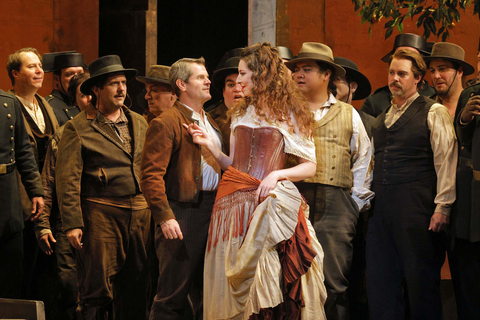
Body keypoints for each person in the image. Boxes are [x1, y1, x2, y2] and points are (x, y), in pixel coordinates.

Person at [185, 42, 327, 320]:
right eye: (237, 75)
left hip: (267, 205)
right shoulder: (239, 113)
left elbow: (310, 166)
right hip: (230, 206)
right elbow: (233, 165)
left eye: (242, 74)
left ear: (261, 74)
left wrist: (277, 174)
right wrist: (211, 148)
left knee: (267, 281)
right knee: (229, 280)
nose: (238, 81)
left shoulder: (291, 114)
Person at [56, 55, 150, 319]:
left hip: (140, 215)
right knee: (97, 289)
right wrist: (73, 223)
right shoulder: (78, 128)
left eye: (123, 83)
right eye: (113, 84)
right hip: (101, 216)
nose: (121, 89)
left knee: (137, 285)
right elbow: (67, 180)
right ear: (96, 89)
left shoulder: (139, 122)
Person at [367, 49, 457, 319]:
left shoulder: (433, 111)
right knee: (381, 284)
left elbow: (446, 160)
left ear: (418, 78)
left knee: (421, 286)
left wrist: (443, 207)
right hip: (382, 210)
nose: (395, 78)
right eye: (392, 73)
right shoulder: (383, 117)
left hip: (416, 209)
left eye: (402, 74)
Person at [286, 42, 373, 320]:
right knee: (289, 279)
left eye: (307, 69)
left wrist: (352, 205)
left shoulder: (348, 114)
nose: (299, 74)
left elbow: (363, 160)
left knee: (332, 281)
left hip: (336, 203)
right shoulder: (285, 112)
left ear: (326, 75)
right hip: (292, 199)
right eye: (297, 69)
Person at [141, 57, 222, 320]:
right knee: (172, 295)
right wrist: (165, 216)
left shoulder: (210, 120)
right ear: (181, 84)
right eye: (200, 77)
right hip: (183, 212)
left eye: (207, 76)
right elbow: (151, 176)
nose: (208, 81)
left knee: (203, 294)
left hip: (213, 209)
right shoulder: (166, 122)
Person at [34, 72, 91, 319]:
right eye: (83, 94)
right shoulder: (65, 132)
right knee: (69, 285)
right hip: (66, 221)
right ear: (75, 99)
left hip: (101, 218)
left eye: (92, 92)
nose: (89, 98)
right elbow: (47, 180)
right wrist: (42, 224)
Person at [7, 47, 59, 299]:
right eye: (31, 66)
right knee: (22, 268)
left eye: (40, 65)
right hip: (21, 199)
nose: (39, 70)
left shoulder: (45, 105)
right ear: (15, 74)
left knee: (46, 272)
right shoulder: (8, 105)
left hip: (48, 195)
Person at [0, 90, 44, 299]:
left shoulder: (8, 102)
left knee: (11, 272)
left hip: (7, 195)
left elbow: (23, 150)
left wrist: (35, 190)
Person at [453, 62, 480, 319]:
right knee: (470, 270)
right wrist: (465, 117)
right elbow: (464, 140)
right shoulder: (472, 93)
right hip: (473, 195)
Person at [361, 33, 435, 117]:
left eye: (410, 56)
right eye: (399, 54)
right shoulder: (375, 101)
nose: (402, 59)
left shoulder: (435, 99)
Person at [209, 56, 243, 153]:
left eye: (241, 84)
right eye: (231, 85)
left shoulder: (262, 117)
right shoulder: (210, 120)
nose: (237, 89)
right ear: (224, 91)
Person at [43, 51, 86, 126]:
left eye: (80, 74)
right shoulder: (48, 106)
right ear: (56, 78)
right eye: (69, 74)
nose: (76, 78)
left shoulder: (90, 101)